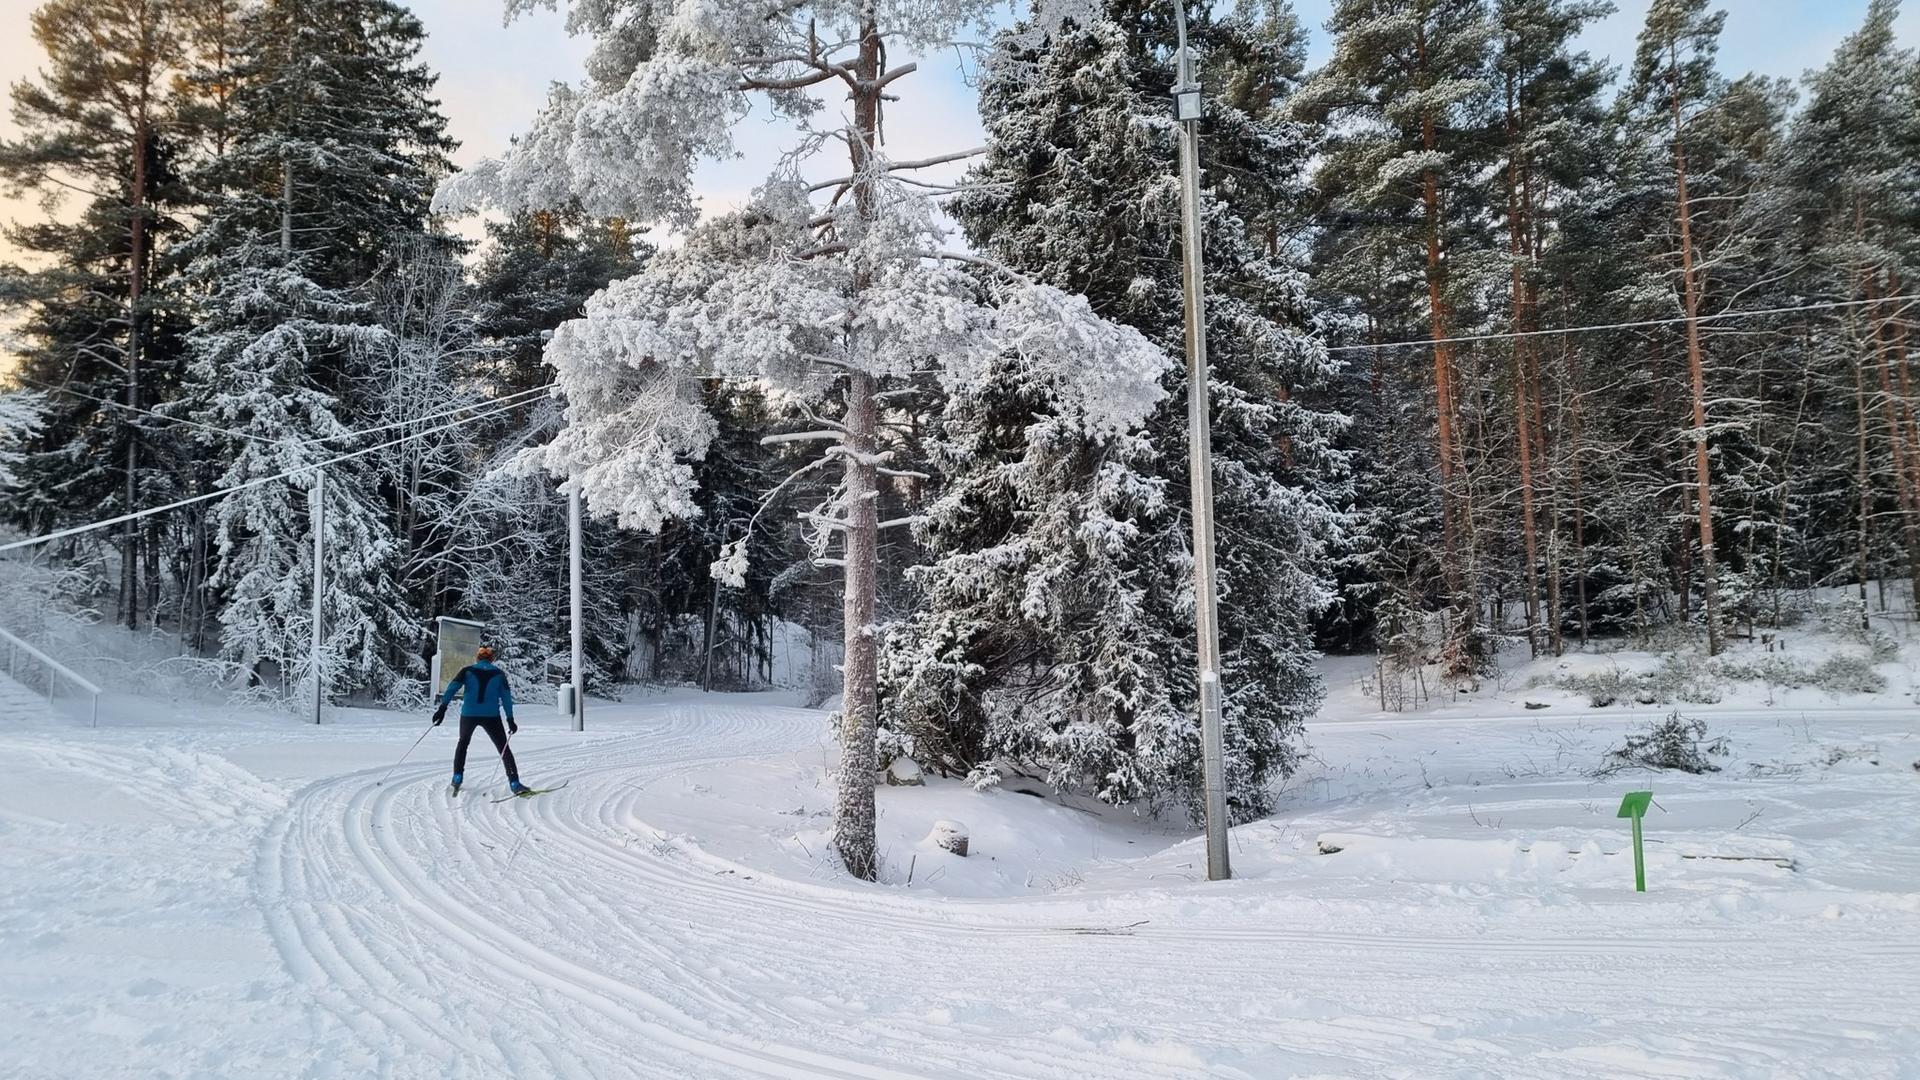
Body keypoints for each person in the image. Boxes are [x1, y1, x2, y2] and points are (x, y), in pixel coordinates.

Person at [434, 646, 528, 796]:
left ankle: (457, 777)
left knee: (463, 743)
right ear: (492, 659)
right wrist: (510, 719)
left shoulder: (467, 671)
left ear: (477, 658)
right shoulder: (499, 674)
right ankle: (514, 783)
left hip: (469, 714)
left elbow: (452, 688)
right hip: (491, 716)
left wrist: (442, 708)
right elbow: (506, 698)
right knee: (503, 748)